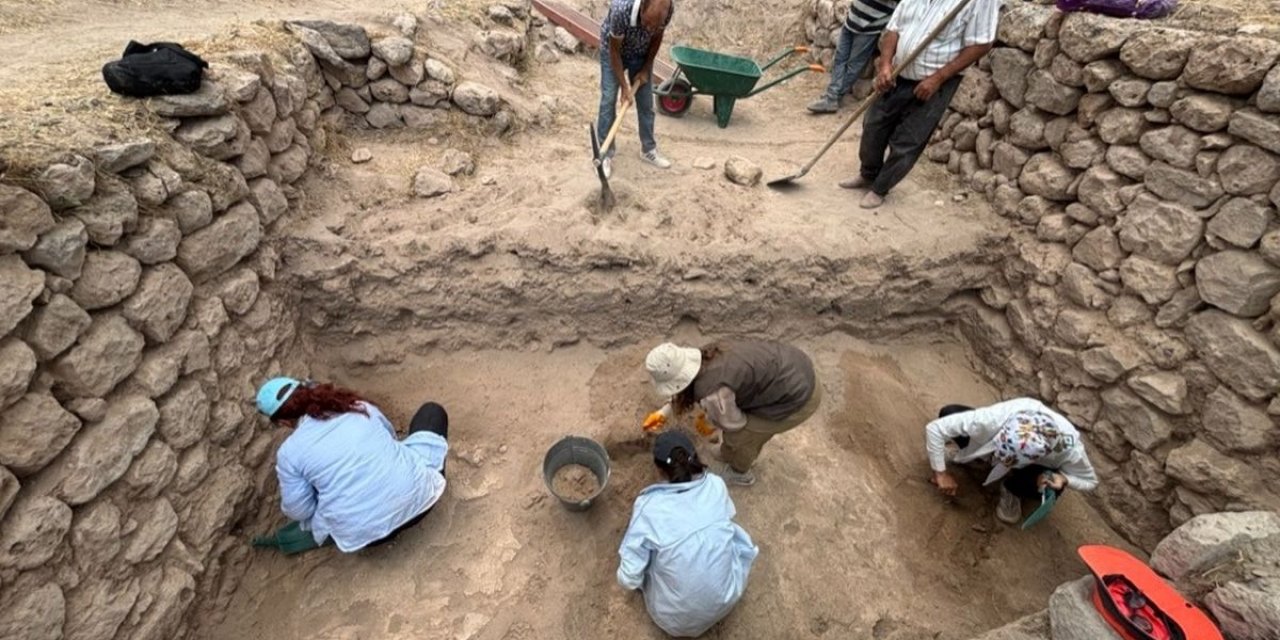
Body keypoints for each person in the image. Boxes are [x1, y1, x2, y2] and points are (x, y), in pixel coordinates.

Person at [254, 377, 449, 552]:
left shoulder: (288, 454)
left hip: (366, 538)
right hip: (422, 503)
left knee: (320, 488)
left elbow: (299, 510)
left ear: (284, 422)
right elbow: (389, 437)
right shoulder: (355, 407)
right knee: (431, 412)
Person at [840, 0, 1001, 209]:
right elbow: (894, 28)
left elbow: (981, 44)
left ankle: (880, 188)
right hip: (898, 73)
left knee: (908, 139)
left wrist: (938, 77)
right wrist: (886, 64)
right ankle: (868, 174)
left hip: (935, 82)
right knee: (873, 124)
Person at [617, 431, 759, 637]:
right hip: (728, 597)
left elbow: (629, 579)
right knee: (727, 530)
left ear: (659, 470)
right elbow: (727, 518)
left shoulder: (649, 507)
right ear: (695, 459)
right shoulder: (716, 485)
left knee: (651, 557)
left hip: (675, 622)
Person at [643, 340, 821, 486]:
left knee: (742, 438)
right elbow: (687, 385)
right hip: (794, 365)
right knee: (733, 434)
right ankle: (727, 453)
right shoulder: (708, 354)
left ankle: (740, 473)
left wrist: (712, 421)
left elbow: (736, 425)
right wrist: (664, 411)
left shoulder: (714, 394)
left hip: (798, 398)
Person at [925, 398, 1099, 525]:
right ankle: (979, 456)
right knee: (950, 412)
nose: (1002, 461)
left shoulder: (1070, 451)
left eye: (1006, 461)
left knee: (1053, 485)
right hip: (992, 437)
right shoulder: (995, 418)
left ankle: (1012, 490)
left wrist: (1065, 478)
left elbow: (1090, 481)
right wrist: (941, 473)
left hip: (1033, 469)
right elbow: (935, 429)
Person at [596, 0, 674, 179]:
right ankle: (604, 154)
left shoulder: (667, 8)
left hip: (641, 53)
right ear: (642, 7)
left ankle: (648, 150)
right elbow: (614, 52)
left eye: (655, 26)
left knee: (646, 103)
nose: (650, 29)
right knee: (608, 99)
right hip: (613, 51)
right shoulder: (621, 10)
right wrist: (624, 87)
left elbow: (657, 38)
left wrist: (646, 68)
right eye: (648, 23)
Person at [806, 0, 901, 114]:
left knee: (853, 65)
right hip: (852, 19)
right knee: (839, 58)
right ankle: (832, 95)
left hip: (868, 27)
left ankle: (832, 97)